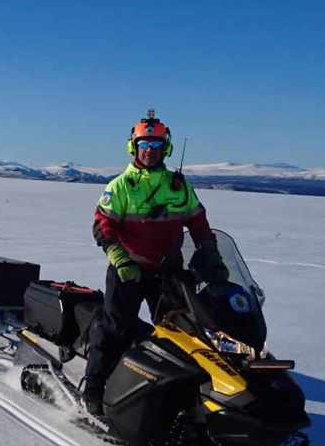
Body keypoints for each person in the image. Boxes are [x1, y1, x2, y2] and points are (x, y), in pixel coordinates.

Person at [83, 109, 227, 416]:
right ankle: (94, 391)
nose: (150, 151)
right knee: (114, 329)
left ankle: (181, 393)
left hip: (169, 271)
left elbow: (198, 222)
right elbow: (102, 226)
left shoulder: (179, 185)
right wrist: (120, 258)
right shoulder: (120, 186)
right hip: (129, 270)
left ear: (166, 149)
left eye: (156, 146)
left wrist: (209, 251)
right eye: (145, 145)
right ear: (134, 148)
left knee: (183, 331)